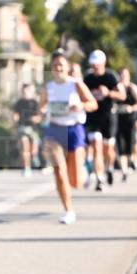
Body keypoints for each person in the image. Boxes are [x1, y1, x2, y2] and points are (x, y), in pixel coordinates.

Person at [40, 50, 97, 223]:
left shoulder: (76, 84)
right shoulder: (47, 88)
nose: (58, 68)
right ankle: (68, 210)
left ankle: (85, 172)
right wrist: (43, 111)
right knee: (59, 172)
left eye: (61, 65)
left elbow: (93, 104)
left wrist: (80, 105)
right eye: (55, 65)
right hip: (55, 130)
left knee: (75, 180)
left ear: (67, 67)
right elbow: (41, 108)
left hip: (74, 130)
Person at [83, 50, 125, 189]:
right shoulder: (88, 79)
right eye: (93, 64)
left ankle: (110, 167)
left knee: (108, 148)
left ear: (103, 63)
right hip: (93, 117)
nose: (95, 66)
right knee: (96, 146)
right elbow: (81, 95)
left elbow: (122, 95)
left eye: (97, 64)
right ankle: (99, 178)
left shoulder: (110, 77)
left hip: (108, 117)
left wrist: (108, 92)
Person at [115, 68, 137, 181]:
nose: (122, 77)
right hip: (118, 121)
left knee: (131, 144)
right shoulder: (115, 88)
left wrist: (131, 108)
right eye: (120, 74)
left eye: (124, 74)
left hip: (131, 120)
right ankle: (124, 171)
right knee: (120, 146)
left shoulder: (133, 88)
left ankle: (133, 160)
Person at [12, 83, 42, 177]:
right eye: (23, 90)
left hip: (33, 129)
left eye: (27, 90)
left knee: (33, 151)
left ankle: (34, 156)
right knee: (25, 148)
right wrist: (15, 118)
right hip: (23, 128)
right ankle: (27, 168)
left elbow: (40, 116)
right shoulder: (19, 102)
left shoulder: (35, 103)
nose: (25, 92)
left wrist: (35, 119)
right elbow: (15, 113)